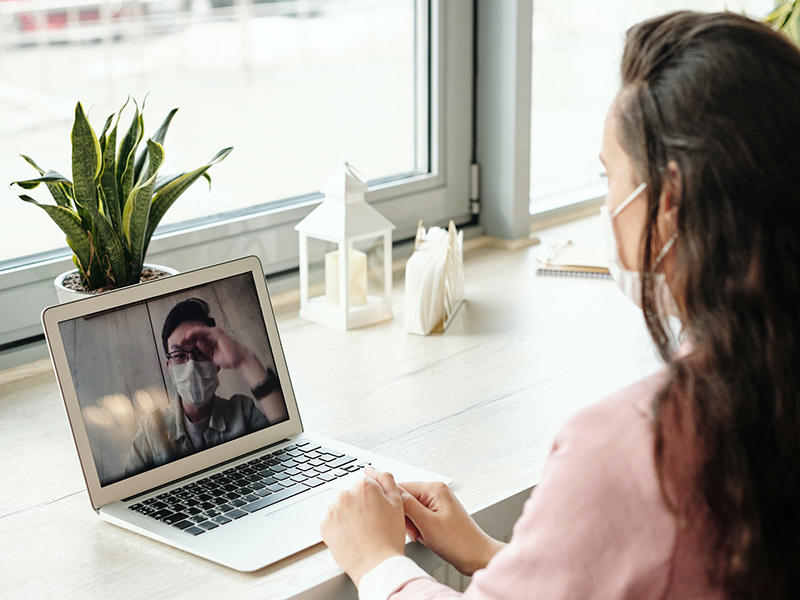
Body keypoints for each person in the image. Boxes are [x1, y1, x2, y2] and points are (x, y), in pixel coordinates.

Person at [320, 11, 800, 600]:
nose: (608, 204)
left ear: (668, 200)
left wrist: (376, 562)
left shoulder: (634, 449)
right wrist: (497, 559)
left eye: (610, 179)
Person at [126, 298, 289, 473]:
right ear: (170, 368)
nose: (191, 366)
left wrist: (244, 360)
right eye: (179, 355)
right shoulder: (152, 430)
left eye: (200, 353)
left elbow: (287, 446)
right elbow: (127, 492)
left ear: (216, 361)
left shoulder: (243, 412)